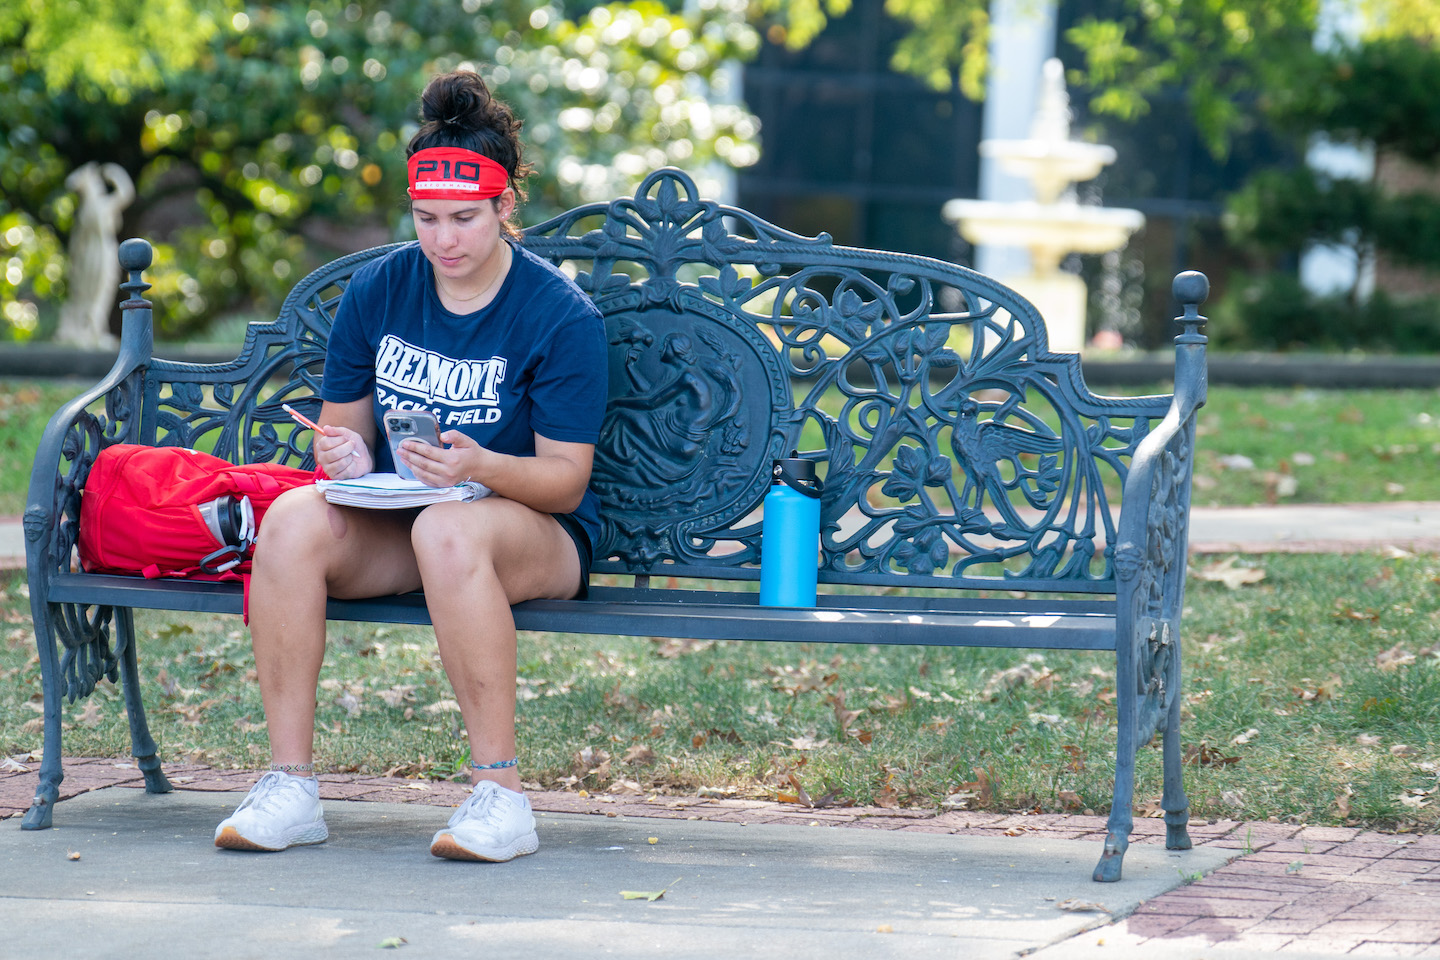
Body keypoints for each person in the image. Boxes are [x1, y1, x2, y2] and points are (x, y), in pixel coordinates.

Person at [212, 70, 608, 862]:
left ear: (504, 209)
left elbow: (565, 480)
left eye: (464, 218)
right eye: (426, 218)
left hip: (535, 529)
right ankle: (290, 787)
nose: (443, 240)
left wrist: (483, 463)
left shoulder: (559, 315)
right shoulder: (381, 288)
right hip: (411, 517)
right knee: (293, 520)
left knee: (451, 532)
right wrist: (344, 452)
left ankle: (500, 797)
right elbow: (343, 437)